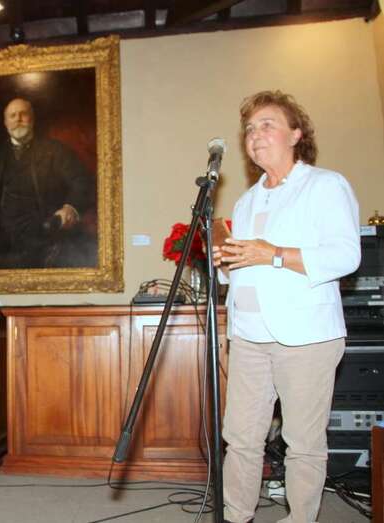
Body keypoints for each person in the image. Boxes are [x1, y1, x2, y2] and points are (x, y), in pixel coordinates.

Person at [213, 90, 360, 523]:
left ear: (296, 134)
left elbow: (345, 256)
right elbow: (248, 269)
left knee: (303, 443)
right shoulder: (247, 200)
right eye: (249, 129)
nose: (255, 135)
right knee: (240, 437)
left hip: (306, 336)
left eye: (267, 125)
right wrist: (227, 265)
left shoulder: (325, 185)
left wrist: (273, 254)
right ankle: (237, 516)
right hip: (248, 336)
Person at [0, 97, 94, 269]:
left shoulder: (55, 150)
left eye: (23, 114)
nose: (18, 119)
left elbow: (82, 181)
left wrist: (70, 208)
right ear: (5, 123)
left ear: (32, 119)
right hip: (1, 234)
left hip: (45, 232)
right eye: (12, 116)